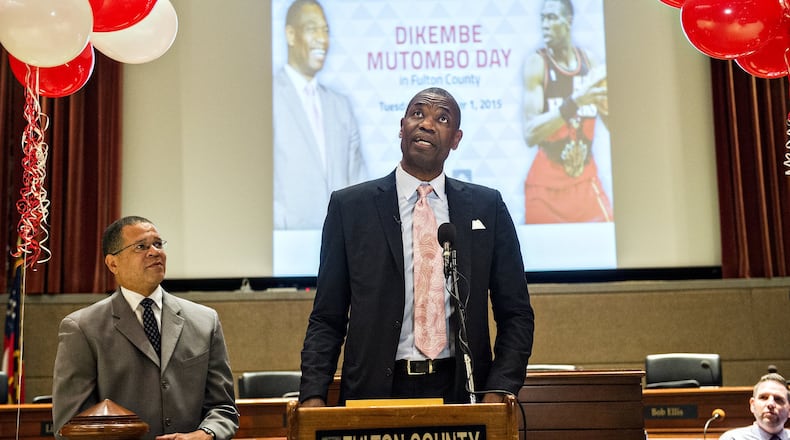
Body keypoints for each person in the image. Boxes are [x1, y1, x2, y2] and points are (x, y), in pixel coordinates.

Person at [299, 87, 535, 406]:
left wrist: (501, 386)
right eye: (417, 114)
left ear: (456, 138)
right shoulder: (350, 207)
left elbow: (516, 312)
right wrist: (314, 394)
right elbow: (328, 316)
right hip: (376, 389)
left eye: (442, 118)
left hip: (461, 390)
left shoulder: (487, 207)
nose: (426, 123)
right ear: (401, 127)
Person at [52, 216, 239, 440]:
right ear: (113, 264)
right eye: (141, 246)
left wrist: (206, 434)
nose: (154, 252)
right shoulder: (82, 328)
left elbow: (224, 408)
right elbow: (70, 425)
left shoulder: (205, 320)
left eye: (158, 244)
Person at [273, 0, 365, 230]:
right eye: (313, 29)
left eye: (326, 31)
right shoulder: (263, 97)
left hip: (345, 247)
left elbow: (359, 181)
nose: (322, 39)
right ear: (291, 35)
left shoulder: (341, 105)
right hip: (286, 242)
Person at [521, 0, 613, 224]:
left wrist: (607, 107)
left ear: (568, 21)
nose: (545, 24)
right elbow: (530, 133)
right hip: (545, 189)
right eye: (543, 18)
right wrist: (574, 102)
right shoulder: (537, 63)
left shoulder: (590, 62)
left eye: (552, 17)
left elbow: (615, 127)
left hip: (585, 182)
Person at [719, 373, 790, 440]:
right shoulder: (733, 438)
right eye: (763, 397)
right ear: (752, 405)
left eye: (778, 399)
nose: (770, 404)